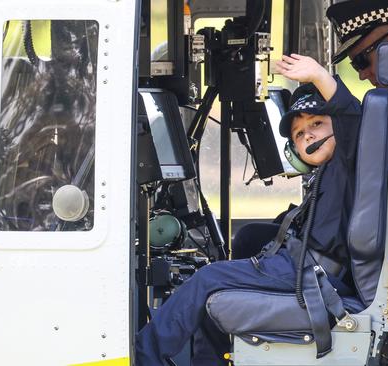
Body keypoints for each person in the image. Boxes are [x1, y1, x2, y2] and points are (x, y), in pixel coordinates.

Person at [136, 55, 362, 365]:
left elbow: (350, 117)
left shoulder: (347, 161)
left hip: (312, 273)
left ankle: (144, 357)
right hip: (300, 265)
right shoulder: (325, 173)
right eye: (298, 134)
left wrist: (321, 77)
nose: (307, 135)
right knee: (247, 241)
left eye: (317, 123)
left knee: (207, 279)